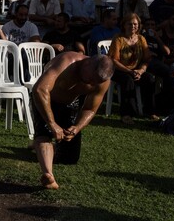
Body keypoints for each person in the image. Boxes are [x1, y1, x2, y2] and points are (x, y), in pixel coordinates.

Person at [32, 52, 114, 189]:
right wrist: (52, 123)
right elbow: (40, 89)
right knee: (44, 134)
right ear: (87, 64)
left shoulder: (102, 81)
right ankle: (48, 175)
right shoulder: (66, 62)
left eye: (97, 82)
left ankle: (36, 145)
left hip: (71, 103)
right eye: (92, 78)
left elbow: (90, 109)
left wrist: (77, 127)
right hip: (46, 98)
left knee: (69, 158)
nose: (93, 83)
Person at [108, 13, 157, 124]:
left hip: (136, 70)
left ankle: (150, 111)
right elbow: (114, 60)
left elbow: (146, 59)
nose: (133, 26)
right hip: (119, 70)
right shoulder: (118, 38)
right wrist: (130, 71)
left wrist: (141, 71)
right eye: (129, 24)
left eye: (135, 24)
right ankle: (126, 114)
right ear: (124, 25)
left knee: (150, 79)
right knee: (128, 80)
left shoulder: (141, 39)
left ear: (139, 26)